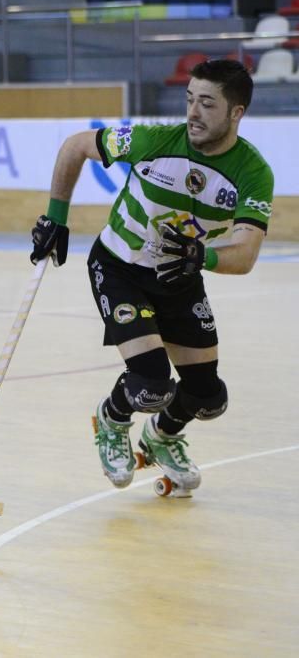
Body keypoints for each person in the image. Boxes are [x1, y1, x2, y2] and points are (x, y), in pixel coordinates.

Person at [29, 59, 273, 495]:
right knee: (151, 385)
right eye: (189, 100)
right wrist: (56, 219)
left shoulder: (253, 173)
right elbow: (75, 146)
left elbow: (245, 254)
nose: (193, 113)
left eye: (208, 104)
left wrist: (203, 256)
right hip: (120, 267)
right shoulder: (153, 140)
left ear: (236, 113)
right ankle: (111, 419)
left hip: (181, 275)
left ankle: (160, 436)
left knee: (208, 396)